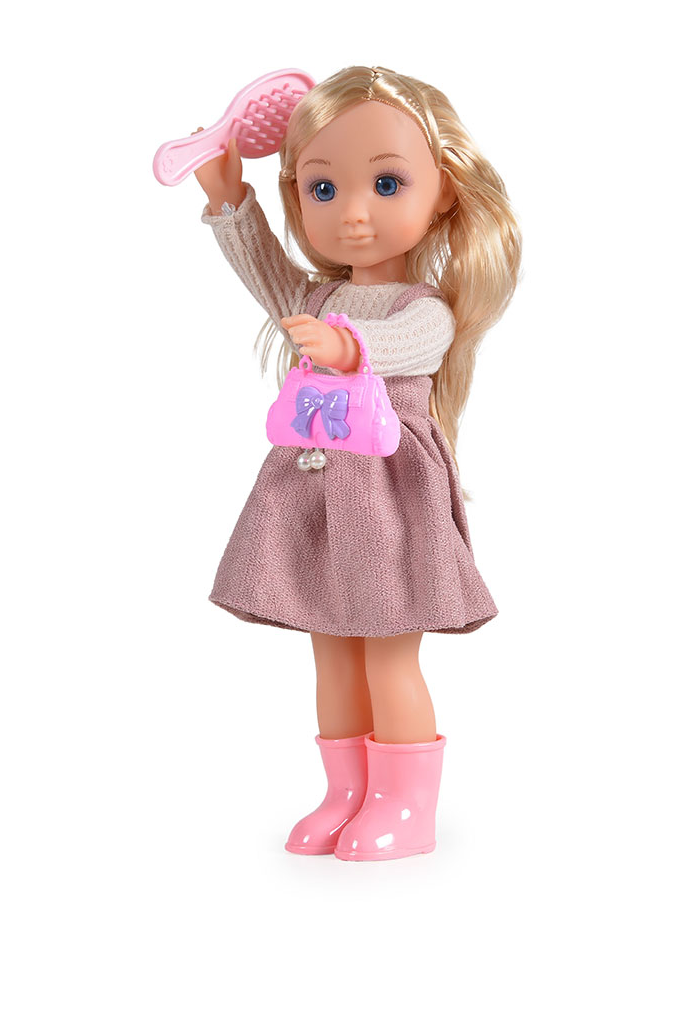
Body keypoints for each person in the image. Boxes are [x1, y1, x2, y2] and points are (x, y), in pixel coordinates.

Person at [193, 66, 521, 860]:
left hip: (389, 500)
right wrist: (231, 198)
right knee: (331, 649)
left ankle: (404, 806)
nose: (354, 213)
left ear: (443, 191)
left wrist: (345, 348)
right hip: (315, 492)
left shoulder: (424, 308)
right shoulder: (317, 300)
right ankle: (347, 793)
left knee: (388, 652)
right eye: (323, 188)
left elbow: (404, 347)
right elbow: (267, 275)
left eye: (386, 183)